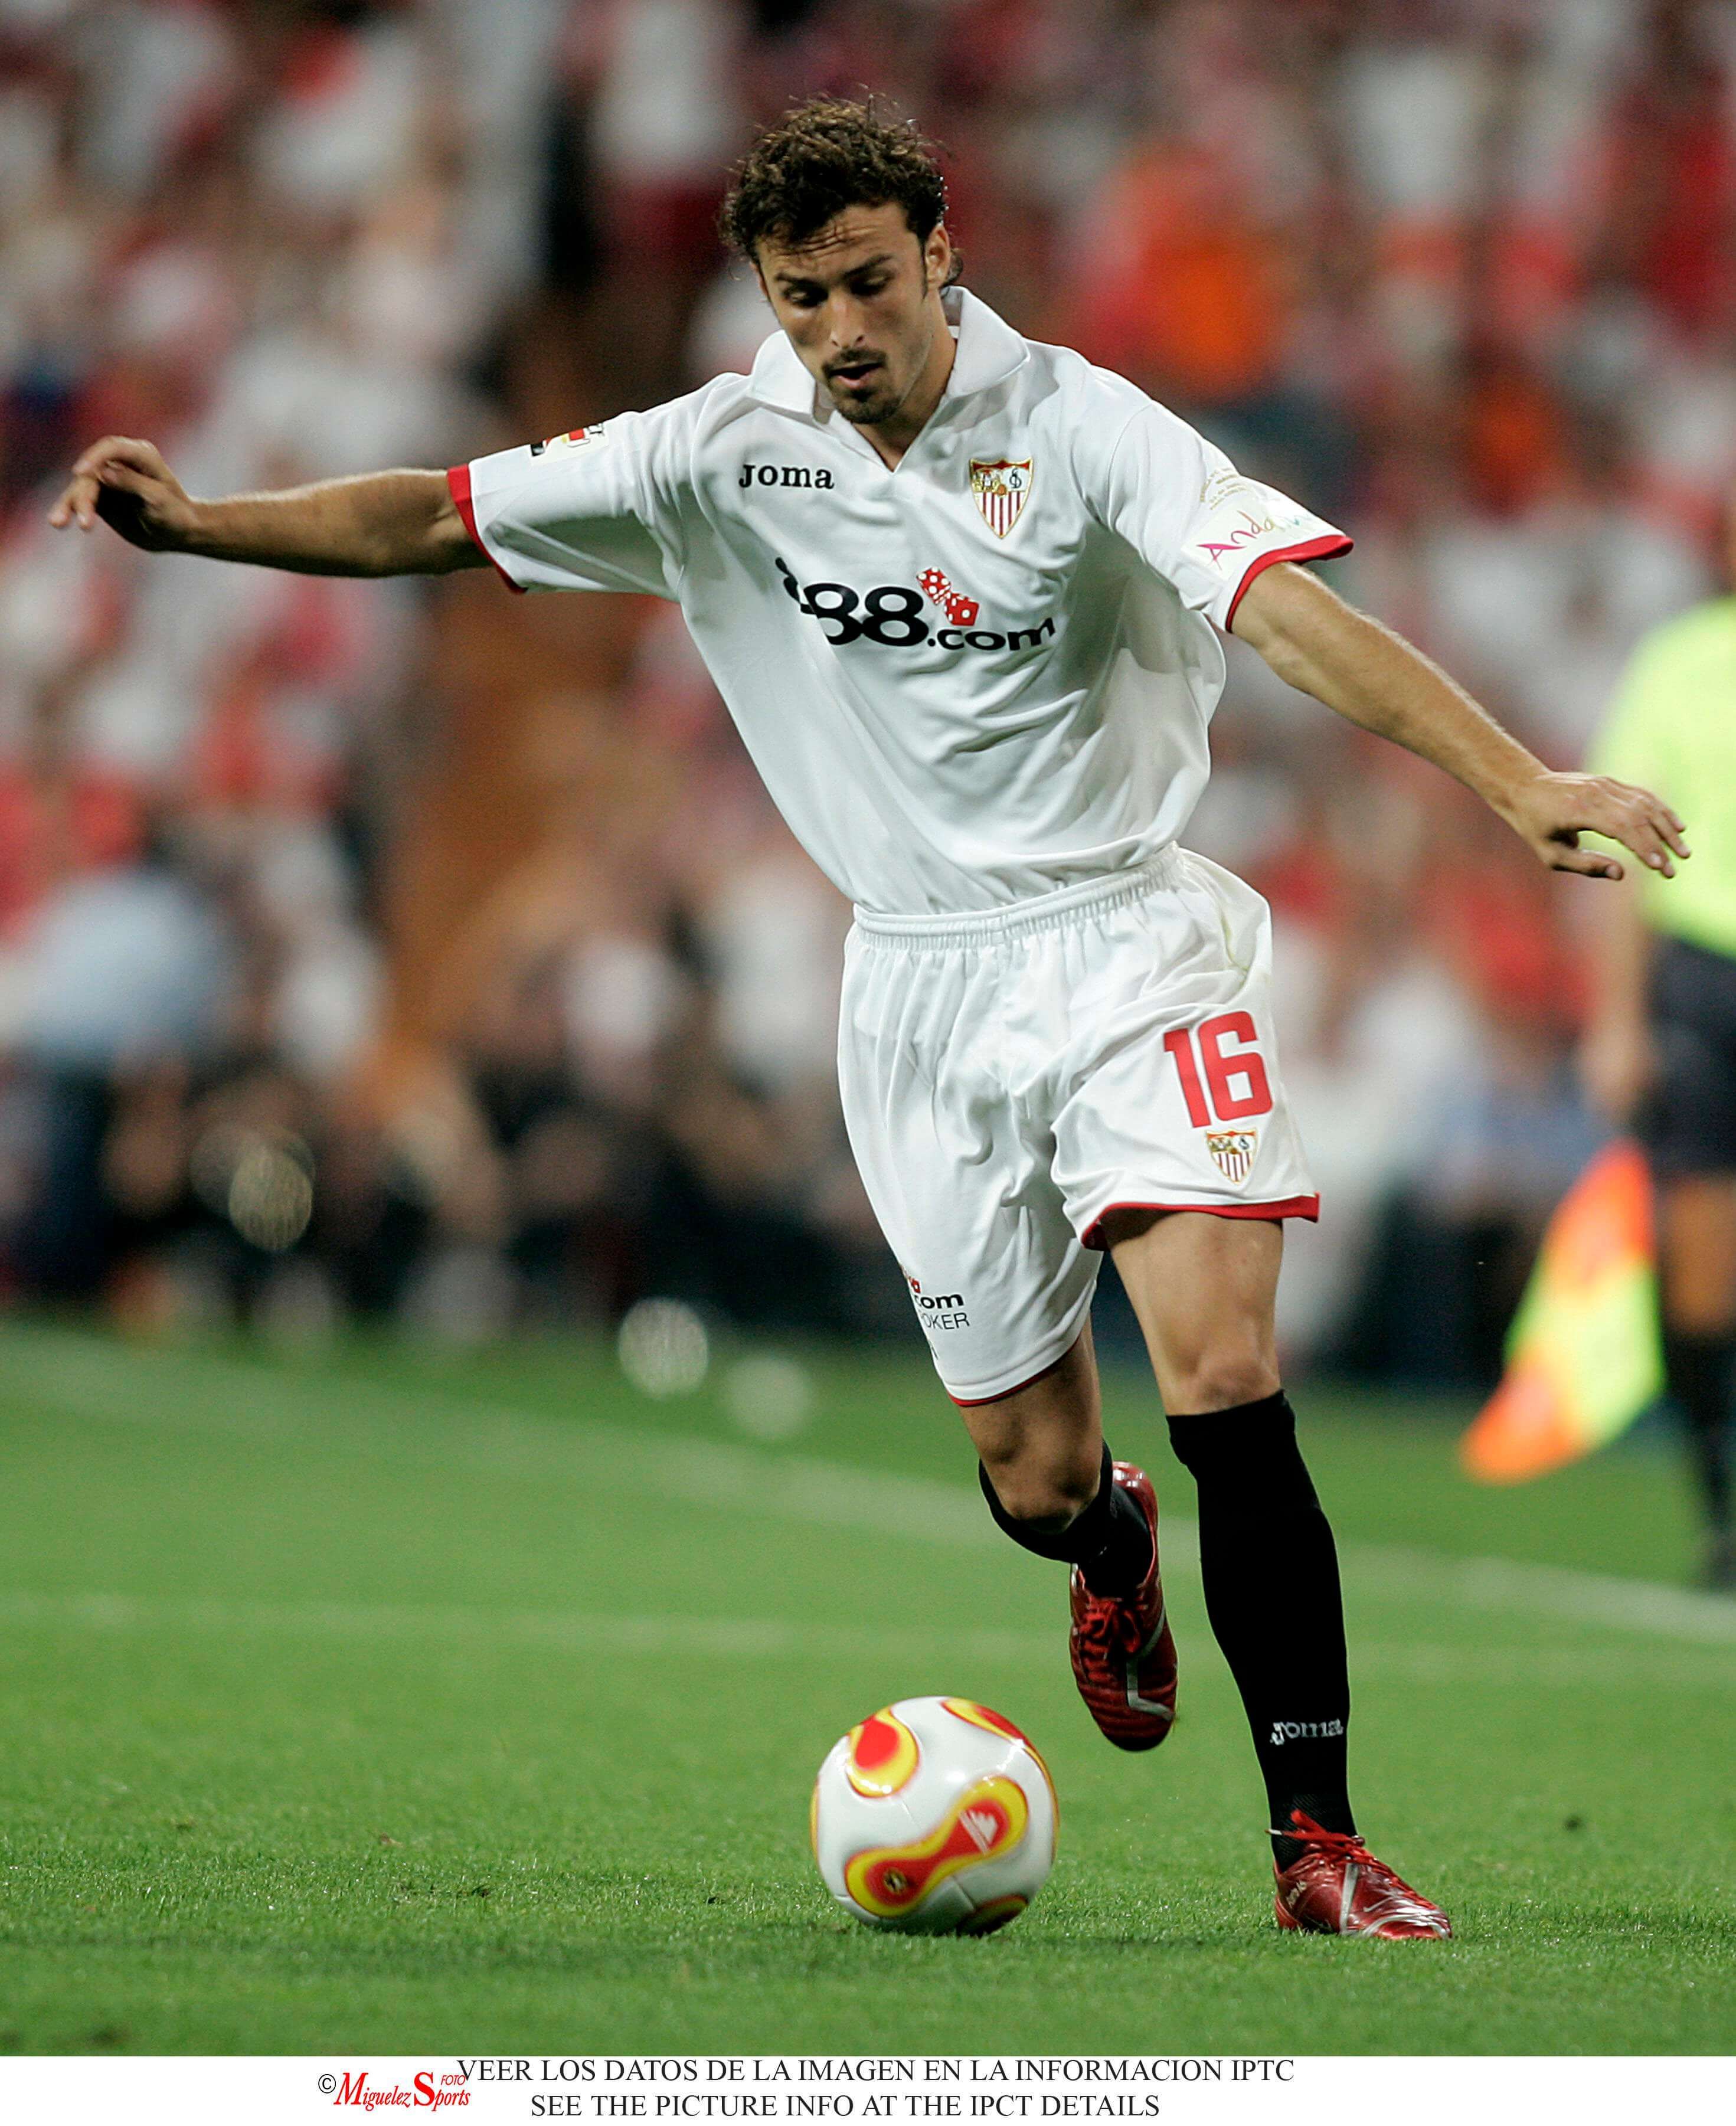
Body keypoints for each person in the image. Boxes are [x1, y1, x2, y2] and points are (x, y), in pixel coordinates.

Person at [51, 100, 1688, 1937]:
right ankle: (1105, 1548)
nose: (836, 327)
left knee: (1224, 1367)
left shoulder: (1076, 427)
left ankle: (1316, 1840)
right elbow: (434, 515)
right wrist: (199, 527)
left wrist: (1510, 778)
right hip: (911, 989)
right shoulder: (716, 452)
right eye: (796, 291)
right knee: (1036, 1470)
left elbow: (1282, 614)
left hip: (1127, 940)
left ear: (939, 258)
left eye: (865, 282)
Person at [1582, 517, 1736, 1592]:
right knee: (1700, 1263)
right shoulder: (1682, 658)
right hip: (1705, 976)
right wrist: (1615, 1018)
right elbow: (1627, 848)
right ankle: (1719, 1503)